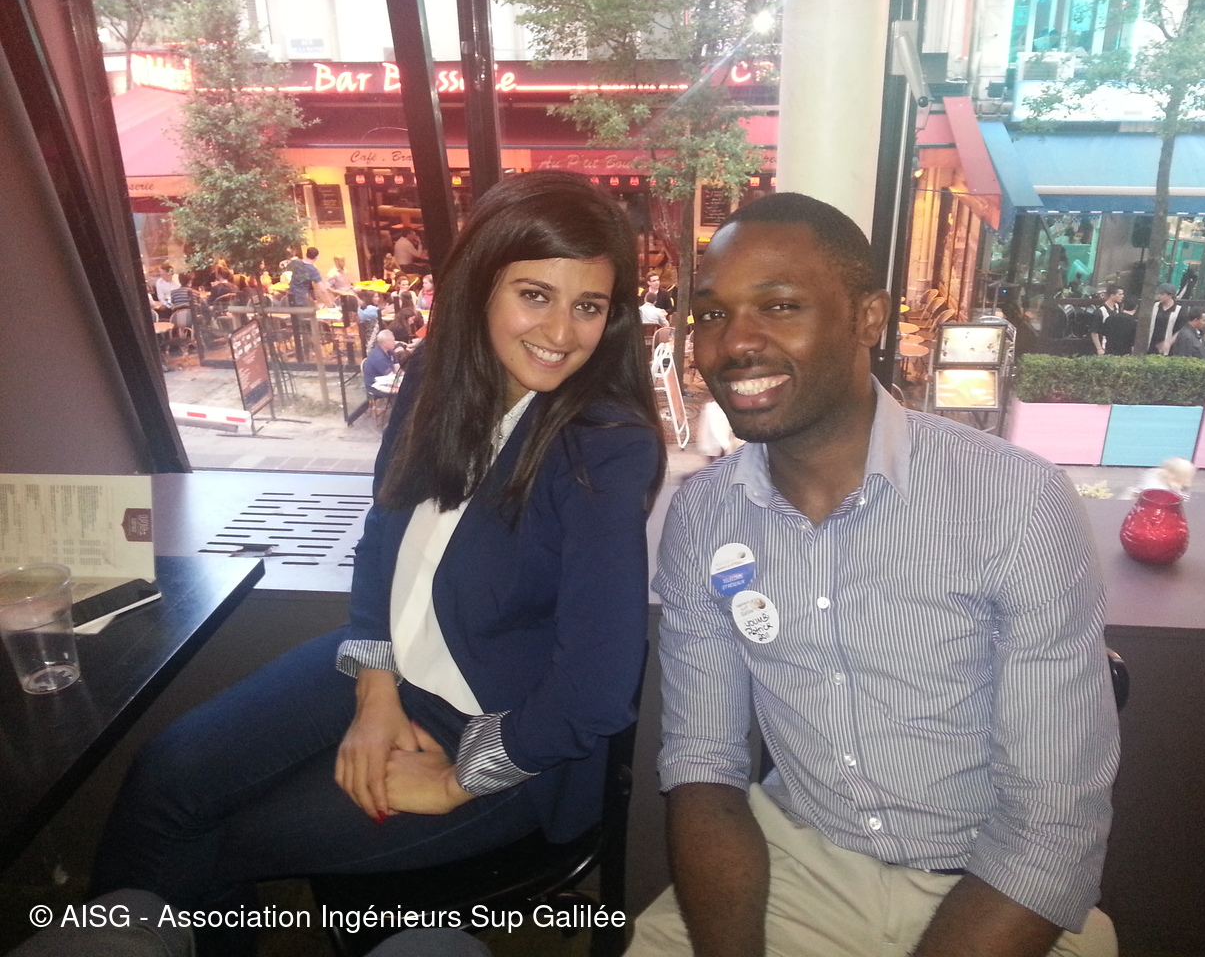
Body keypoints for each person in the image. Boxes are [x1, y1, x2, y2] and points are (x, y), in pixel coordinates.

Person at [91, 170, 666, 957]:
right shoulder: (438, 375)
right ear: (479, 286)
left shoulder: (602, 445)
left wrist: (456, 780)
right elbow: (385, 534)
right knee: (165, 774)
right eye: (535, 295)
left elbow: (598, 687)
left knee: (217, 840)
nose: (562, 332)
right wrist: (375, 688)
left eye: (589, 306)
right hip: (395, 667)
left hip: (503, 734)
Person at [628, 193, 1119, 957]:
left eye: (779, 305)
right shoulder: (704, 517)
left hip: (992, 883)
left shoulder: (1016, 501)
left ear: (868, 318)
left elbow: (1052, 824)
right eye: (713, 314)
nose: (733, 343)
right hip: (796, 861)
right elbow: (703, 768)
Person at [1146, 282, 1185, 354]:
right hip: (1152, 344)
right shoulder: (1155, 306)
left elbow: (1180, 330)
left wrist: (1169, 343)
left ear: (1170, 295)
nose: (1159, 296)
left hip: (1168, 347)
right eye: (1159, 294)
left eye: (1162, 294)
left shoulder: (1179, 310)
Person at [1089, 284, 1124, 355]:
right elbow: (1094, 332)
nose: (1122, 296)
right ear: (1112, 295)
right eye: (1120, 294)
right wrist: (1099, 349)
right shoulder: (1100, 311)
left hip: (1115, 346)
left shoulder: (1117, 307)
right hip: (1104, 345)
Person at [364, 329, 399, 395]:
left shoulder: (390, 351)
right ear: (385, 343)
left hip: (386, 381)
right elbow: (391, 377)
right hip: (375, 386)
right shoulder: (379, 358)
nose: (394, 342)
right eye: (392, 340)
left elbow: (398, 369)